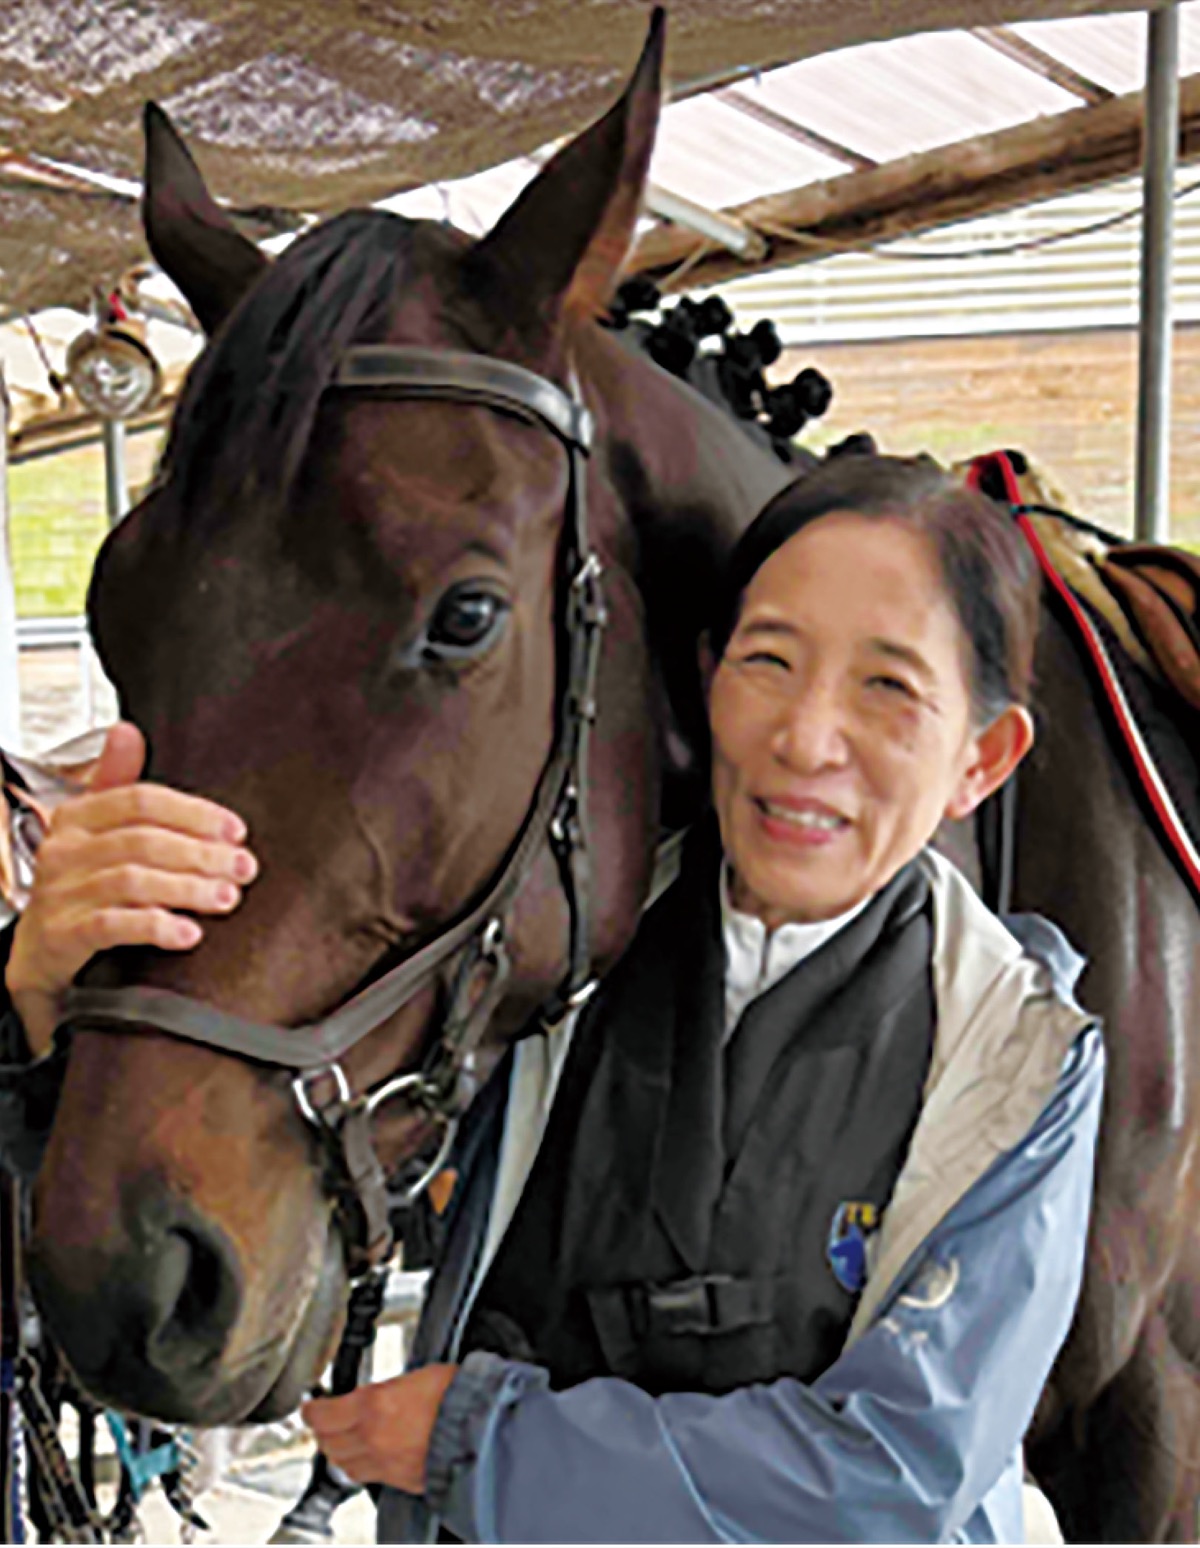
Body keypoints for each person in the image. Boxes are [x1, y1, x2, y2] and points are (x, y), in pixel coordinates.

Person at [0, 453, 1103, 1543]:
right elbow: (272, 1172)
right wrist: (55, 1004)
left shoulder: (1019, 1061)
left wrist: (477, 1443)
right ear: (709, 675)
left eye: (889, 688)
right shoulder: (548, 943)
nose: (806, 739)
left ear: (983, 759)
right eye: (769, 660)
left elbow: (897, 1479)